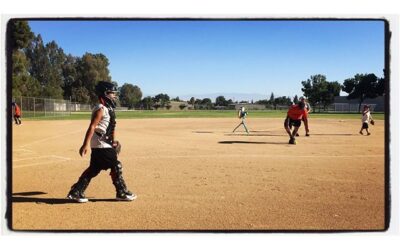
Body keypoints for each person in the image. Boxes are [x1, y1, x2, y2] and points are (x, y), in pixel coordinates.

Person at [67, 81, 136, 203]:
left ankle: (76, 192)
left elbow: (111, 127)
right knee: (116, 165)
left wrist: (113, 142)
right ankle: (121, 192)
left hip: (103, 143)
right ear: (105, 94)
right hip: (100, 144)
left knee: (94, 169)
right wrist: (85, 144)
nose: (114, 95)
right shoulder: (101, 108)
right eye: (112, 93)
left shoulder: (109, 108)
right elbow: (93, 126)